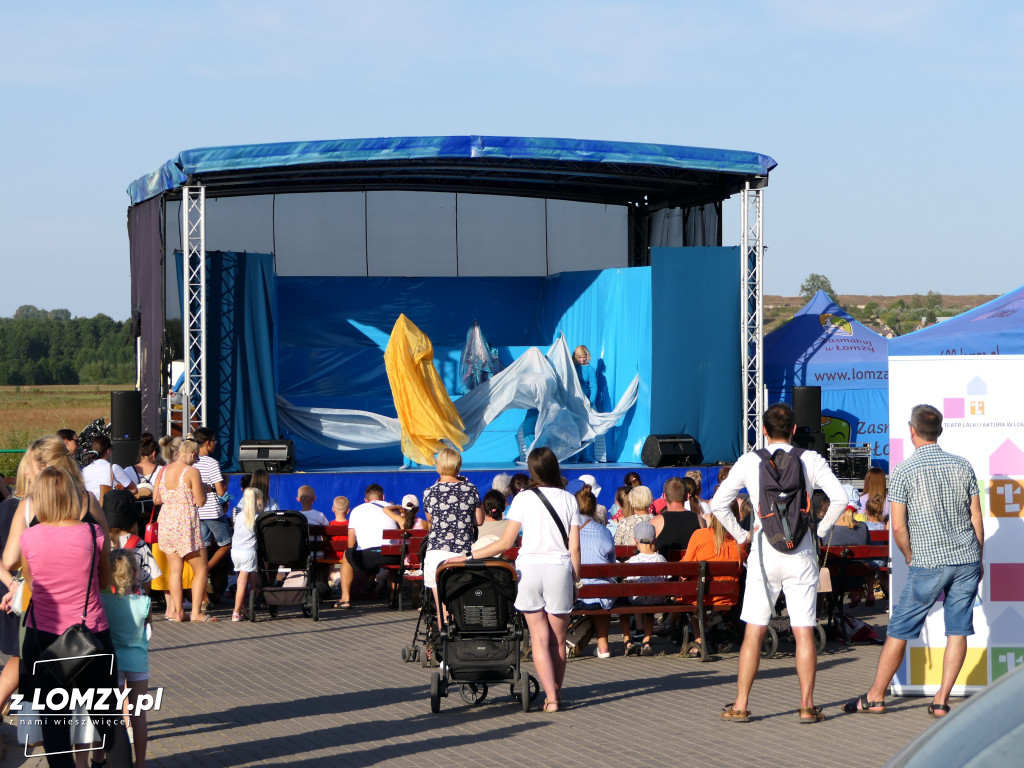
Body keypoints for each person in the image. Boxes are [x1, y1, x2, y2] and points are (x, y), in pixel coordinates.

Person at [843, 404, 983, 719]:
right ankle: (941, 701)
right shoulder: (963, 466)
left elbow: (898, 526)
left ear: (912, 430)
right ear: (940, 430)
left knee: (899, 629)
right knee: (958, 629)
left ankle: (875, 696)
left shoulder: (905, 470)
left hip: (929, 561)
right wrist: (979, 557)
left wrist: (909, 556)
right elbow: (976, 517)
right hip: (966, 558)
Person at [712, 402, 847, 724]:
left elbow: (718, 504)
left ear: (763, 431)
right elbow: (840, 497)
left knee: (754, 631)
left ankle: (742, 704)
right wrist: (820, 530)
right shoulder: (810, 459)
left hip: (763, 552)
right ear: (795, 430)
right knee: (803, 630)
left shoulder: (749, 461)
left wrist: (742, 535)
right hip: (801, 553)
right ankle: (806, 705)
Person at [15, 465, 133, 767]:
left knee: (55, 728)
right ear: (71, 493)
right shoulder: (93, 533)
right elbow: (105, 580)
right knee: (108, 723)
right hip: (91, 636)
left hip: (44, 639)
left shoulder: (29, 538)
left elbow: (31, 584)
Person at [465, 447, 582, 712]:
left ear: (532, 471)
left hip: (529, 569)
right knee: (558, 640)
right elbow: (574, 548)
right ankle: (556, 693)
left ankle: (551, 698)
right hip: (559, 569)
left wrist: (469, 555)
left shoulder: (522, 499)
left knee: (539, 639)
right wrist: (576, 581)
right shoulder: (569, 500)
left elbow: (505, 543)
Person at [99, 548, 153, 768]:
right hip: (138, 662)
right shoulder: (144, 603)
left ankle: (112, 761)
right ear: (135, 572)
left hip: (113, 663)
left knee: (113, 716)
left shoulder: (102, 601)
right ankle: (140, 764)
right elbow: (148, 629)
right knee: (138, 715)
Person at [152, 438, 215, 622]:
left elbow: (156, 499)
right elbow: (200, 501)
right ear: (193, 454)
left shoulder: (163, 470)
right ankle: (196, 612)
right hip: (186, 524)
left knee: (175, 570)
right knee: (202, 568)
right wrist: (205, 489)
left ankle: (177, 611)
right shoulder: (192, 471)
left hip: (166, 523)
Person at [421, 448, 484, 622]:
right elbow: (479, 520)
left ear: (438, 466)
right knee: (463, 599)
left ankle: (444, 641)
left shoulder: (430, 491)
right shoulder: (470, 488)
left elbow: (430, 520)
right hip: (462, 552)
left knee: (441, 606)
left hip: (436, 552)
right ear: (458, 465)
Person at [682, 513, 747, 657]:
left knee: (693, 595)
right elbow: (740, 569)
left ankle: (699, 640)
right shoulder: (739, 540)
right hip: (728, 597)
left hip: (700, 597)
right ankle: (717, 621)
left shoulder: (700, 535)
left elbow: (686, 568)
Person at [336, 484, 404, 608]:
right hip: (391, 556)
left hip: (366, 558)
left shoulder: (357, 510)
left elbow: (351, 543)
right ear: (383, 497)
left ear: (366, 500)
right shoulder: (394, 509)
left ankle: (345, 599)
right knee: (394, 558)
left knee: (347, 555)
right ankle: (392, 599)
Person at [574, 486, 615, 657]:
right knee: (603, 586)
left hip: (574, 591)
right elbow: (611, 564)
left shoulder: (570, 532)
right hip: (601, 593)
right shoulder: (604, 531)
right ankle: (603, 645)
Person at [193, 427, 230, 607]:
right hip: (212, 510)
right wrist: (224, 483)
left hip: (197, 511)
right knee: (226, 543)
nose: (215, 444)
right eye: (214, 441)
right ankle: (206, 569)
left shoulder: (192, 462)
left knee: (203, 547)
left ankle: (204, 579)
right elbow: (221, 491)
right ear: (208, 443)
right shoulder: (211, 463)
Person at [619, 520, 667, 656]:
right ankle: (646, 641)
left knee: (621, 604)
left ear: (635, 540)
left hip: (638, 600)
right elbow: (667, 577)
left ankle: (627, 640)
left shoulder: (634, 560)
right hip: (657, 600)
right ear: (655, 540)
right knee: (649, 610)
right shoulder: (661, 559)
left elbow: (629, 581)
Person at [231, 487, 262, 622]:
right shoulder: (257, 517)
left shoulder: (239, 515)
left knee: (240, 580)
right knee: (243, 582)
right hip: (248, 552)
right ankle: (236, 611)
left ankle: (242, 607)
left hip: (235, 551)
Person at [651, 477, 704, 556]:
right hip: (692, 567)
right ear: (687, 496)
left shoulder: (655, 522)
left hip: (666, 567)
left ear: (664, 496)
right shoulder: (700, 520)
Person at [82, 435, 138, 500]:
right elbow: (134, 490)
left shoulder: (84, 470)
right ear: (108, 451)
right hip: (109, 508)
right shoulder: (114, 468)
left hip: (92, 508)